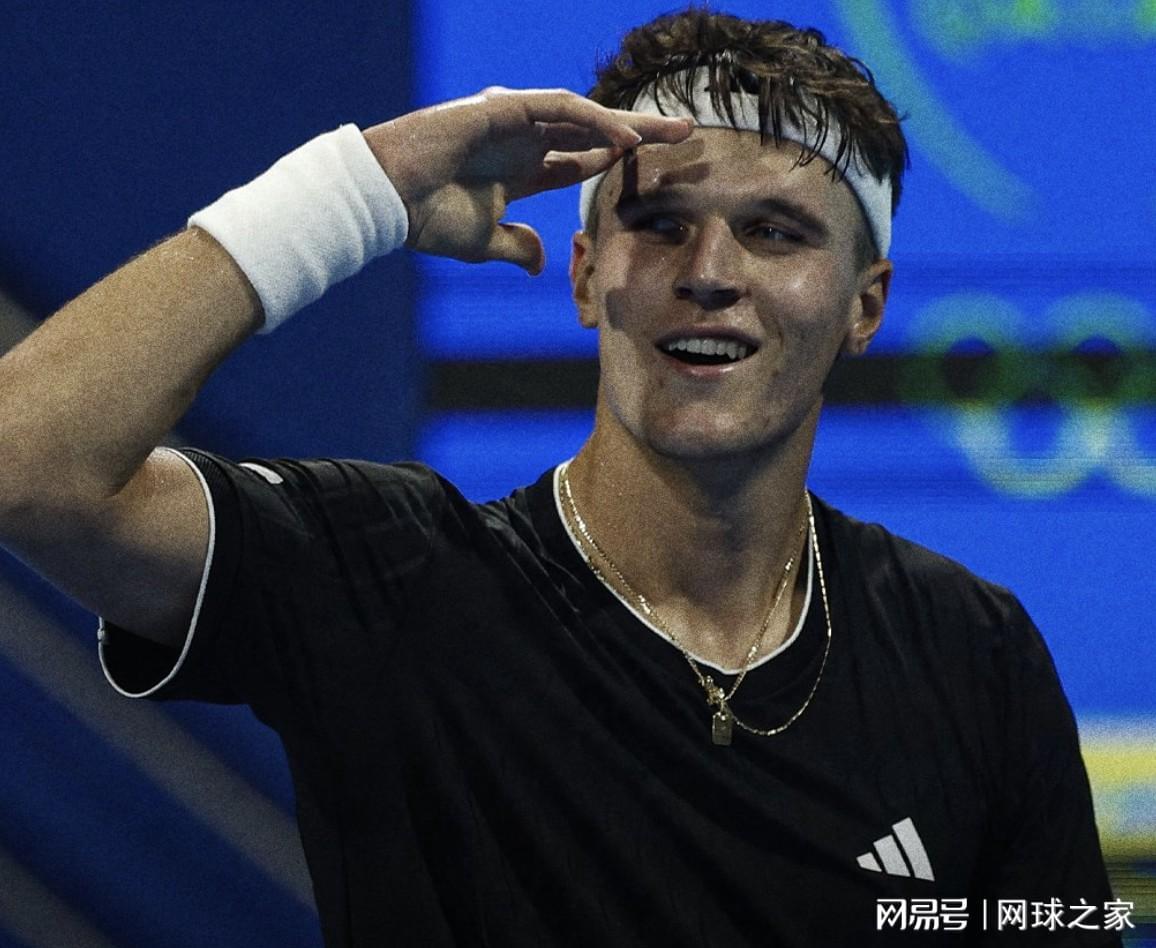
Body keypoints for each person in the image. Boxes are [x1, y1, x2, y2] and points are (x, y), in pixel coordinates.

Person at [0, 9, 1121, 947]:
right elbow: (24, 463)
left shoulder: (972, 650)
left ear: (863, 305)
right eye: (659, 224)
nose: (710, 273)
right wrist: (356, 188)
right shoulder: (389, 577)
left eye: (774, 232)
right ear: (586, 276)